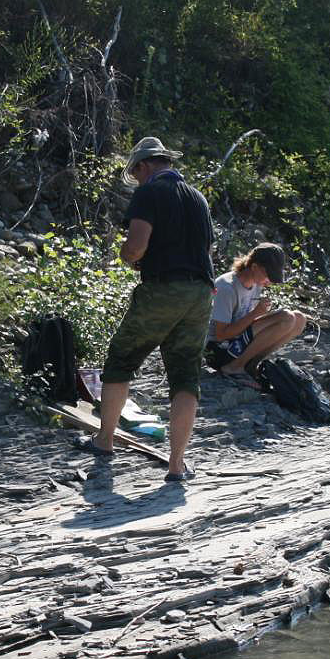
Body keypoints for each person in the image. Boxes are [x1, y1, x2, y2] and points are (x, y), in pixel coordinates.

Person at [74, 136, 214, 483]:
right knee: (185, 376)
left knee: (121, 360)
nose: (135, 179)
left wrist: (127, 255)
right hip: (200, 293)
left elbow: (136, 248)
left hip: (164, 289)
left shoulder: (149, 193)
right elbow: (203, 251)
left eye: (135, 173)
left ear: (144, 165)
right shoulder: (198, 199)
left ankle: (105, 440)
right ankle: (177, 464)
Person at [206, 243, 307, 384]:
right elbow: (221, 334)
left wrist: (262, 314)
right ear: (254, 267)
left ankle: (251, 365)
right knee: (286, 317)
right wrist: (255, 314)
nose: (269, 281)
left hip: (237, 342)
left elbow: (247, 323)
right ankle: (233, 367)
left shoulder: (256, 284)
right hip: (217, 350)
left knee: (299, 318)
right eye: (268, 275)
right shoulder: (226, 287)